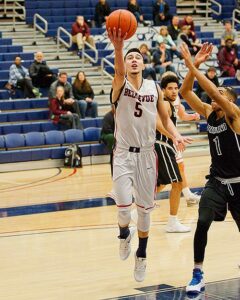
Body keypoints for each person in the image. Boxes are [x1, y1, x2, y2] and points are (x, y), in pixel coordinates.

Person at [107, 27, 188, 282]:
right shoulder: (119, 84)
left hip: (146, 154)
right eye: (129, 57)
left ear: (143, 63)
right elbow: (119, 71)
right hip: (122, 154)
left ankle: (141, 255)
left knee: (144, 212)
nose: (133, 60)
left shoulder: (154, 88)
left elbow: (164, 117)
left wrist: (174, 134)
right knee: (122, 209)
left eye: (137, 57)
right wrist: (119, 47)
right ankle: (123, 235)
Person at [180, 42, 240, 294]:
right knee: (202, 221)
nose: (218, 95)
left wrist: (192, 64)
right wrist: (195, 67)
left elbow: (214, 93)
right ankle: (197, 273)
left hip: (239, 182)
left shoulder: (234, 115)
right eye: (219, 93)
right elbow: (185, 92)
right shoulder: (208, 112)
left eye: (224, 93)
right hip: (216, 181)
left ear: (230, 100)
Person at [155, 74, 192, 233]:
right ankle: (172, 222)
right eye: (170, 88)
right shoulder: (163, 103)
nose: (174, 91)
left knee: (162, 183)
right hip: (162, 144)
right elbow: (157, 124)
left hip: (165, 145)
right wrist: (175, 137)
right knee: (177, 183)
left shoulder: (170, 104)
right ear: (163, 90)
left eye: (176, 88)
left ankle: (139, 210)